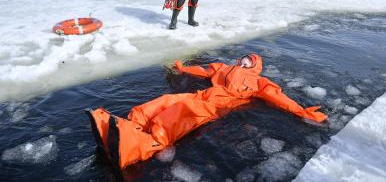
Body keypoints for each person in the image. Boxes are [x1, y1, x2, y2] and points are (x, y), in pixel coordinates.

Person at [86, 54, 328, 170]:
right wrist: (183, 68)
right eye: (244, 58)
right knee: (161, 102)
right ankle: (125, 126)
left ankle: (143, 146)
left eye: (250, 60)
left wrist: (302, 111)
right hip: (200, 96)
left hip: (213, 106)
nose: (244, 61)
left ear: (256, 66)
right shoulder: (223, 68)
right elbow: (203, 70)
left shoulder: (259, 83)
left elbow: (279, 98)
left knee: (176, 115)